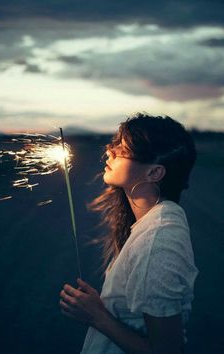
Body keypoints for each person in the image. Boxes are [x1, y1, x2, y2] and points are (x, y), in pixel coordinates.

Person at [60, 113, 199, 354]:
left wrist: (98, 316)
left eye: (123, 148)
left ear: (154, 173)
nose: (110, 149)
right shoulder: (153, 222)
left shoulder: (159, 241)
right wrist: (107, 307)